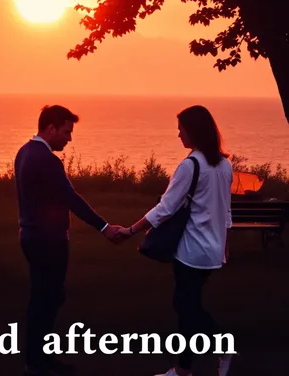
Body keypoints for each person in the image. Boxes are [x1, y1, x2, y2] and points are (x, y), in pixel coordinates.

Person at [116, 105, 233, 376]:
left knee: (186, 308)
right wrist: (225, 247)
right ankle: (184, 369)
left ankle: (218, 348)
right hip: (213, 251)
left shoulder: (190, 165)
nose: (178, 134)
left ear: (193, 131)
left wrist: (130, 230)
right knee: (187, 306)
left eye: (181, 129)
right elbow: (226, 211)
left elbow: (165, 208)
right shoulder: (225, 165)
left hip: (192, 251)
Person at [14, 105, 120, 376]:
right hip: (48, 241)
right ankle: (38, 362)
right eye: (66, 131)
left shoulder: (24, 152)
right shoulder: (47, 160)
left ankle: (39, 357)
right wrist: (104, 227)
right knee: (46, 299)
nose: (69, 139)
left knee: (47, 296)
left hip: (31, 236)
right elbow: (71, 198)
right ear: (50, 128)